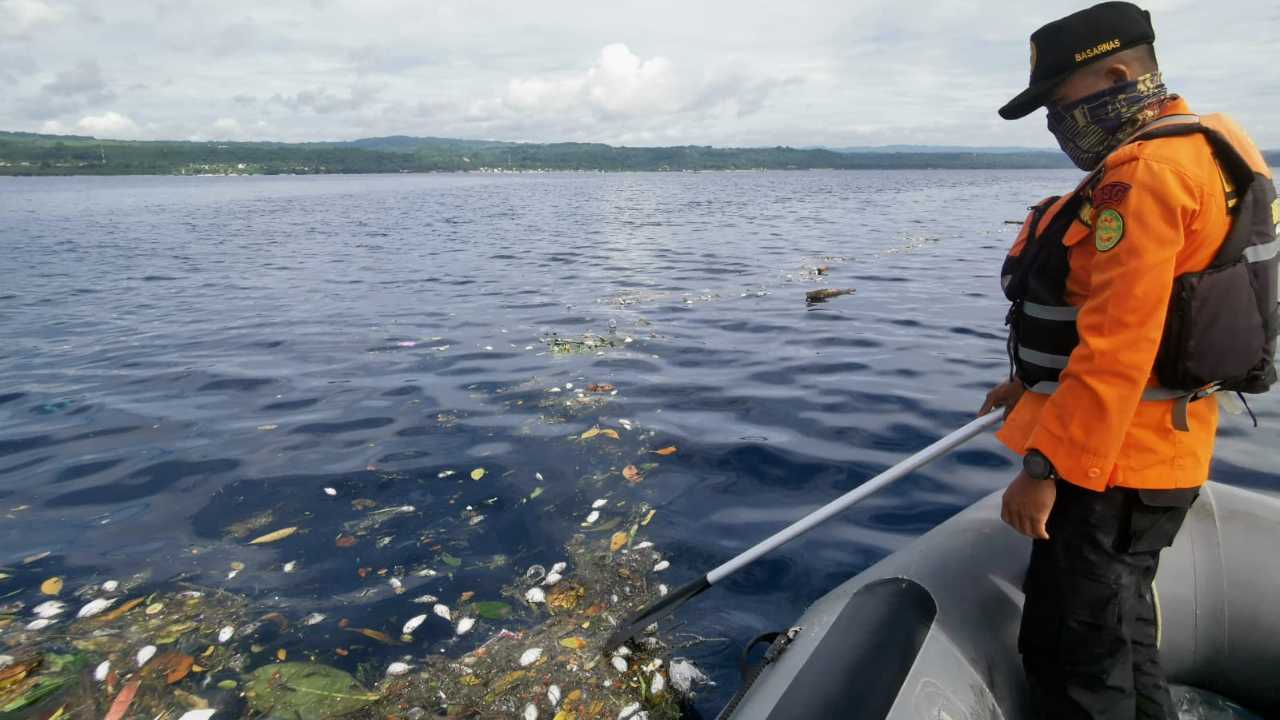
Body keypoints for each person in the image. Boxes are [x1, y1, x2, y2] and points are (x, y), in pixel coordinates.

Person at [980, 2, 1278, 719]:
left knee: (1081, 655)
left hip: (1112, 467)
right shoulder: (1214, 147)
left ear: (1118, 74)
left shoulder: (1144, 175)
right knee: (1121, 627)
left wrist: (1044, 468)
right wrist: (1028, 381)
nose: (1058, 121)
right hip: (1162, 449)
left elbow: (1121, 347)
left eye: (1060, 100)